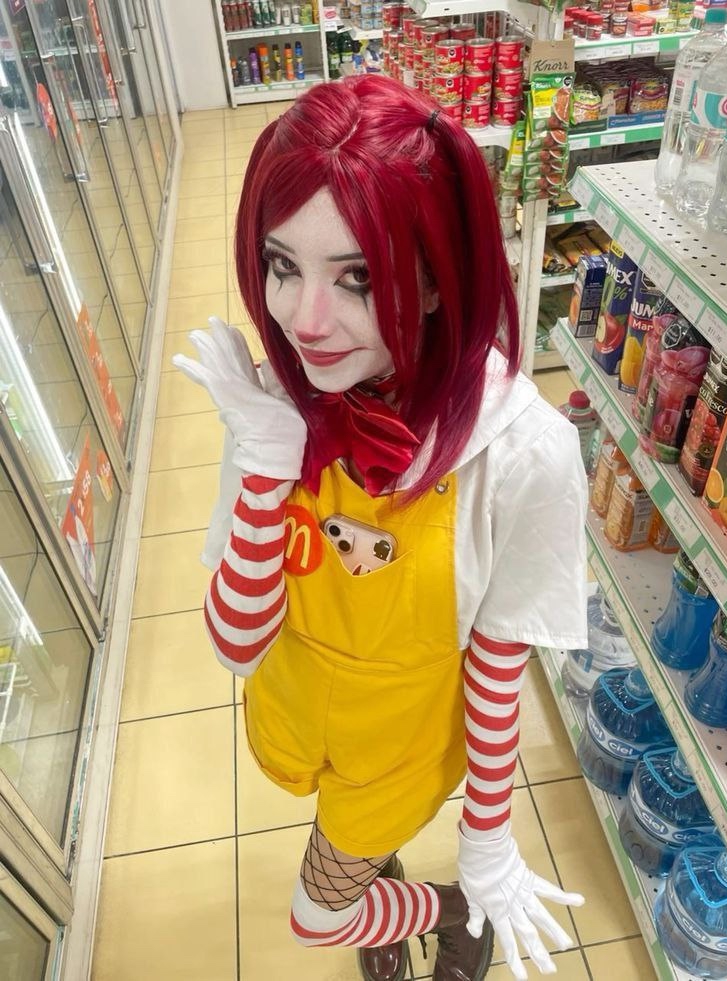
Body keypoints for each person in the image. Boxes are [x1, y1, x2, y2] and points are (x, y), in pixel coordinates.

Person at [174, 73, 589, 981]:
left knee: (317, 917)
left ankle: (449, 908)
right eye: (283, 265)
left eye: (357, 277)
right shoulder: (277, 402)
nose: (305, 321)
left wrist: (486, 839)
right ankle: (393, 880)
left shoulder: (520, 452)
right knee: (347, 854)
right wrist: (268, 459)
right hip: (299, 710)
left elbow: (497, 662)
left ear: (438, 279)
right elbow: (238, 642)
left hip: (400, 744)